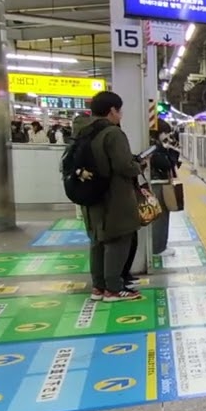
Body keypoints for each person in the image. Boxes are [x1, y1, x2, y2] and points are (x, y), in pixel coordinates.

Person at [70, 91, 143, 302]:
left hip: (91, 196)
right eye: (120, 110)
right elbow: (124, 165)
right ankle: (113, 289)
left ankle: (98, 288)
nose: (121, 115)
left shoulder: (83, 130)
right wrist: (138, 165)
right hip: (115, 196)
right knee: (118, 239)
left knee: (97, 241)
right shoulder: (113, 133)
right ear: (112, 110)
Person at [148, 123, 181, 257]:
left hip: (158, 183)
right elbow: (166, 164)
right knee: (160, 218)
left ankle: (160, 245)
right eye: (165, 132)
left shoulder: (155, 146)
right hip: (158, 184)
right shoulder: (155, 148)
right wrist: (173, 152)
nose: (167, 135)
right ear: (159, 132)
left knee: (162, 217)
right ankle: (158, 248)